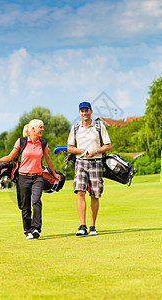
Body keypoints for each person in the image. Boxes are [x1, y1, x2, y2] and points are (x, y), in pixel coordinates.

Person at [0, 119, 61, 240]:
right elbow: (10, 156)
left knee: (36, 201)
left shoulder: (43, 143)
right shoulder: (21, 141)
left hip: (38, 177)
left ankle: (36, 228)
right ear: (33, 129)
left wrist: (54, 173)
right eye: (40, 127)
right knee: (25, 205)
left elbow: (48, 160)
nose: (42, 129)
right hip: (23, 177)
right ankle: (28, 230)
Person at [67, 101, 111, 236]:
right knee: (80, 192)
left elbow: (107, 145)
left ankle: (92, 226)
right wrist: (79, 150)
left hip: (96, 162)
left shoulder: (99, 126)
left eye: (87, 110)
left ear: (91, 111)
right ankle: (82, 226)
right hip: (80, 162)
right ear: (79, 113)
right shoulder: (75, 127)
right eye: (82, 111)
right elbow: (69, 147)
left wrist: (96, 151)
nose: (84, 113)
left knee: (94, 194)